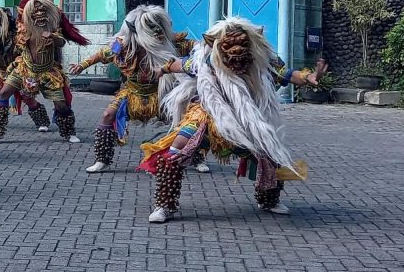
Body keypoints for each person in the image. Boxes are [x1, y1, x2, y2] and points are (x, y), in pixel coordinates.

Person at [139, 17, 325, 223]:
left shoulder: (262, 61)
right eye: (229, 47)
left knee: (271, 153)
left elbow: (288, 74)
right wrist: (161, 70)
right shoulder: (204, 61)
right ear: (217, 46)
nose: (236, 53)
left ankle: (269, 199)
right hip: (206, 112)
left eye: (242, 46)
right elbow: (178, 64)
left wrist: (308, 77)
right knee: (177, 147)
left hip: (246, 117)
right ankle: (164, 205)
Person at [71, 5, 197, 173]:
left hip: (161, 95)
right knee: (108, 115)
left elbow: (197, 47)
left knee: (187, 121)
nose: (156, 35)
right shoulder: (123, 46)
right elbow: (102, 54)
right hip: (132, 94)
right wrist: (81, 65)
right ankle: (102, 160)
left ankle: (196, 158)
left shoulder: (171, 44)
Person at [0, 0, 89, 143]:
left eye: (42, 11)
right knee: (4, 93)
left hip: (48, 72)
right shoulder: (23, 27)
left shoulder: (53, 27)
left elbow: (61, 42)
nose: (39, 15)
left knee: (61, 104)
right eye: (35, 12)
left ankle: (68, 132)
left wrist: (52, 36)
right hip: (24, 68)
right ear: (30, 14)